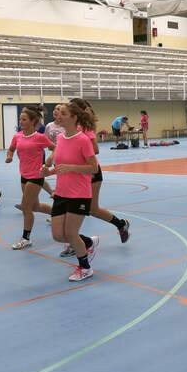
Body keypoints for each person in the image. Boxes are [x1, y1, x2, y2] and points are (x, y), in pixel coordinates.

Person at [57, 98, 130, 258]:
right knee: (73, 210)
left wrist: (79, 146)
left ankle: (120, 224)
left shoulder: (85, 129)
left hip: (90, 173)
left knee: (92, 209)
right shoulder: (67, 132)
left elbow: (94, 149)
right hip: (73, 176)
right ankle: (75, 241)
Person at [43, 102, 101, 281]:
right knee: (58, 235)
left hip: (79, 194)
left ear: (74, 117)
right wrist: (49, 171)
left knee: (70, 234)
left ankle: (85, 268)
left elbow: (93, 168)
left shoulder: (83, 139)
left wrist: (71, 168)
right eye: (58, 114)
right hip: (61, 192)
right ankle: (88, 242)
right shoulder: (60, 138)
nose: (58, 116)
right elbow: (61, 166)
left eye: (63, 114)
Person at [7, 106, 55, 250]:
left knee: (26, 207)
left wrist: (50, 159)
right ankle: (59, 212)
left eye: (24, 119)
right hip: (24, 175)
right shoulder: (18, 136)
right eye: (20, 119)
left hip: (36, 176)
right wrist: (9, 156)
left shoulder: (40, 138)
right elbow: (11, 148)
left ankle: (25, 238)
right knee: (35, 206)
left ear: (33, 121)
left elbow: (56, 147)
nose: (21, 121)